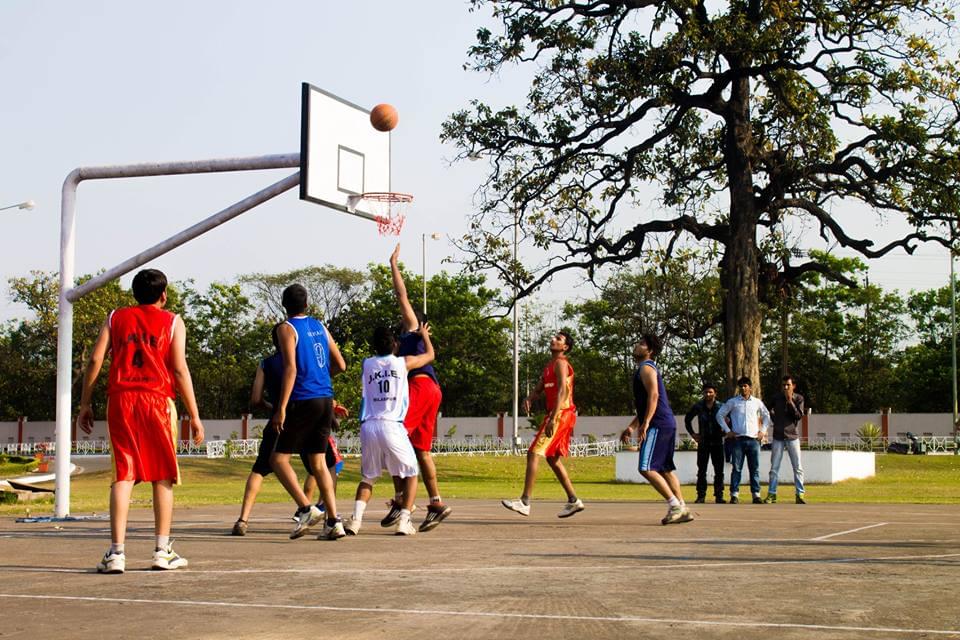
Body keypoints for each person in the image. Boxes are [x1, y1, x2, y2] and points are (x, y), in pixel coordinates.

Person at [76, 268, 204, 574]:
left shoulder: (115, 317)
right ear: (164, 295)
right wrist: (195, 415)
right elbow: (180, 369)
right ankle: (162, 550)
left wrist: (84, 402)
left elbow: (95, 360)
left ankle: (117, 553)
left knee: (123, 473)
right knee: (162, 476)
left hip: (121, 400)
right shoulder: (173, 321)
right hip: (158, 401)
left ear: (134, 294)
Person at [231, 324, 348, 536]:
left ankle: (244, 519)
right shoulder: (307, 355)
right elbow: (330, 370)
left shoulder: (267, 363)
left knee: (262, 468)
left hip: (287, 414)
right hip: (314, 408)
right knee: (323, 465)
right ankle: (333, 519)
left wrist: (275, 408)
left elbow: (256, 398)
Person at [271, 284, 347, 540]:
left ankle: (306, 508)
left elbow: (290, 368)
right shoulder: (320, 327)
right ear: (307, 304)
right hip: (325, 398)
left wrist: (280, 408)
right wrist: (322, 378)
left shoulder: (286, 328)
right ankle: (334, 522)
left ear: (284, 304)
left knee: (278, 460)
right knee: (318, 463)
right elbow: (341, 364)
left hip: (303, 399)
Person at [344, 324, 436, 536]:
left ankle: (355, 521)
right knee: (412, 473)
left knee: (368, 477)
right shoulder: (403, 362)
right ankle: (404, 520)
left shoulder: (366, 364)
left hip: (369, 425)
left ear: (374, 346)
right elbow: (430, 355)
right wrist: (424, 336)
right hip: (392, 425)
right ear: (395, 344)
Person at [387, 245, 451, 532]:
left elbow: (402, 295)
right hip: (432, 389)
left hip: (421, 387)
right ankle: (436, 503)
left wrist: (394, 265)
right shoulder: (414, 340)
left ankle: (403, 500)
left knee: (393, 438)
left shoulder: (412, 329)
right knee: (422, 450)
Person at [502, 331, 584, 518]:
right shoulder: (550, 366)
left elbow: (563, 390)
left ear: (565, 347)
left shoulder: (562, 363)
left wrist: (554, 418)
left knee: (533, 453)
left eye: (559, 339)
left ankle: (524, 502)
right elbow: (541, 386)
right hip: (560, 414)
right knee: (552, 458)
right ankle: (573, 501)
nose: (553, 340)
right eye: (554, 337)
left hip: (561, 414)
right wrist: (530, 397)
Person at [622, 334, 692, 525]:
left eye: (642, 344)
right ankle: (683, 508)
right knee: (665, 469)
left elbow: (654, 396)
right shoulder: (645, 369)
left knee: (646, 467)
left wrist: (646, 423)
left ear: (650, 351)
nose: (638, 345)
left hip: (658, 424)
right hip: (665, 422)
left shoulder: (646, 368)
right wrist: (632, 426)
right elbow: (647, 404)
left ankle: (674, 505)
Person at [715, 376, 772, 504]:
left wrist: (762, 431)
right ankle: (734, 494)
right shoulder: (733, 402)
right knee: (737, 468)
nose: (743, 388)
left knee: (754, 468)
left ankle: (756, 495)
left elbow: (766, 416)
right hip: (738, 440)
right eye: (741, 386)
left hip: (753, 440)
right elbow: (719, 415)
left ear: (750, 387)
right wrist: (727, 431)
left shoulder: (757, 402)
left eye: (745, 386)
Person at [764, 375, 806, 504]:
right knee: (774, 468)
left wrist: (790, 402)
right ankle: (772, 494)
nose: (785, 387)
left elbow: (799, 416)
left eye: (788, 385)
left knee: (797, 467)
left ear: (793, 386)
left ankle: (800, 494)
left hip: (792, 437)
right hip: (778, 437)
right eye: (783, 385)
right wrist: (774, 419)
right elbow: (766, 409)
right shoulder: (776, 398)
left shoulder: (799, 398)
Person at [684, 383, 726, 503]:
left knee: (719, 471)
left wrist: (726, 431)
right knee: (701, 470)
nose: (708, 394)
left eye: (710, 392)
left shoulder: (721, 406)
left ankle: (719, 495)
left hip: (718, 442)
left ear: (715, 393)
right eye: (706, 392)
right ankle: (701, 495)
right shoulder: (698, 406)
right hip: (703, 442)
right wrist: (693, 434)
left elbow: (731, 419)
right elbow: (687, 419)